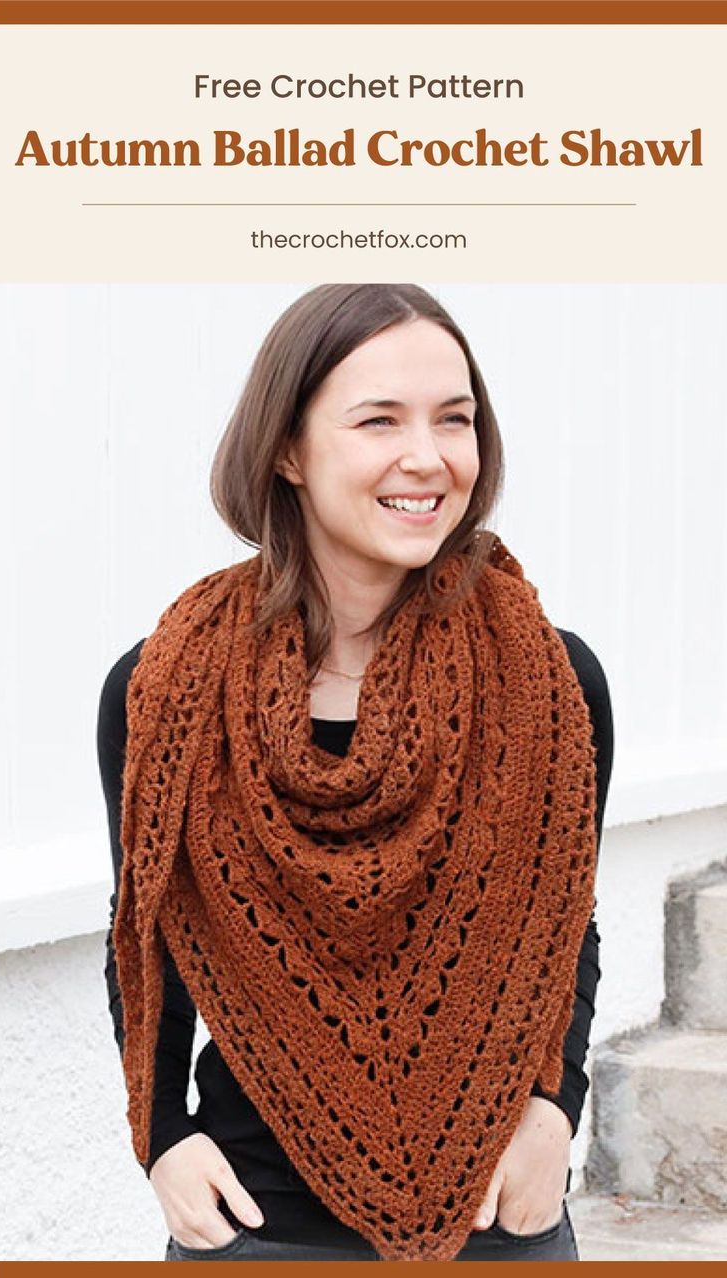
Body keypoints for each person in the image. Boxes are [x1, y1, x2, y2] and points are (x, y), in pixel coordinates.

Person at [98, 283, 613, 1263]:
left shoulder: (551, 679)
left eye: (453, 420)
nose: (427, 457)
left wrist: (555, 1110)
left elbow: (564, 924)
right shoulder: (163, 691)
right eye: (379, 419)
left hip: (497, 1210)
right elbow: (145, 935)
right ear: (286, 449)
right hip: (256, 1220)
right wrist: (162, 1139)